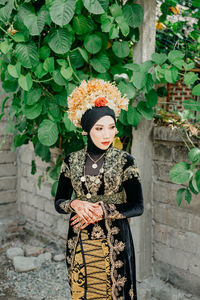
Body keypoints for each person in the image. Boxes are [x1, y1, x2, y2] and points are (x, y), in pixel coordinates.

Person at [55, 79, 144, 300]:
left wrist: (103, 210)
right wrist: (75, 203)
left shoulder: (126, 161)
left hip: (115, 242)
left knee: (116, 293)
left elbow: (137, 206)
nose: (107, 134)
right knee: (84, 292)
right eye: (99, 128)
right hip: (79, 239)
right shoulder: (71, 160)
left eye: (111, 127)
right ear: (87, 130)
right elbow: (59, 201)